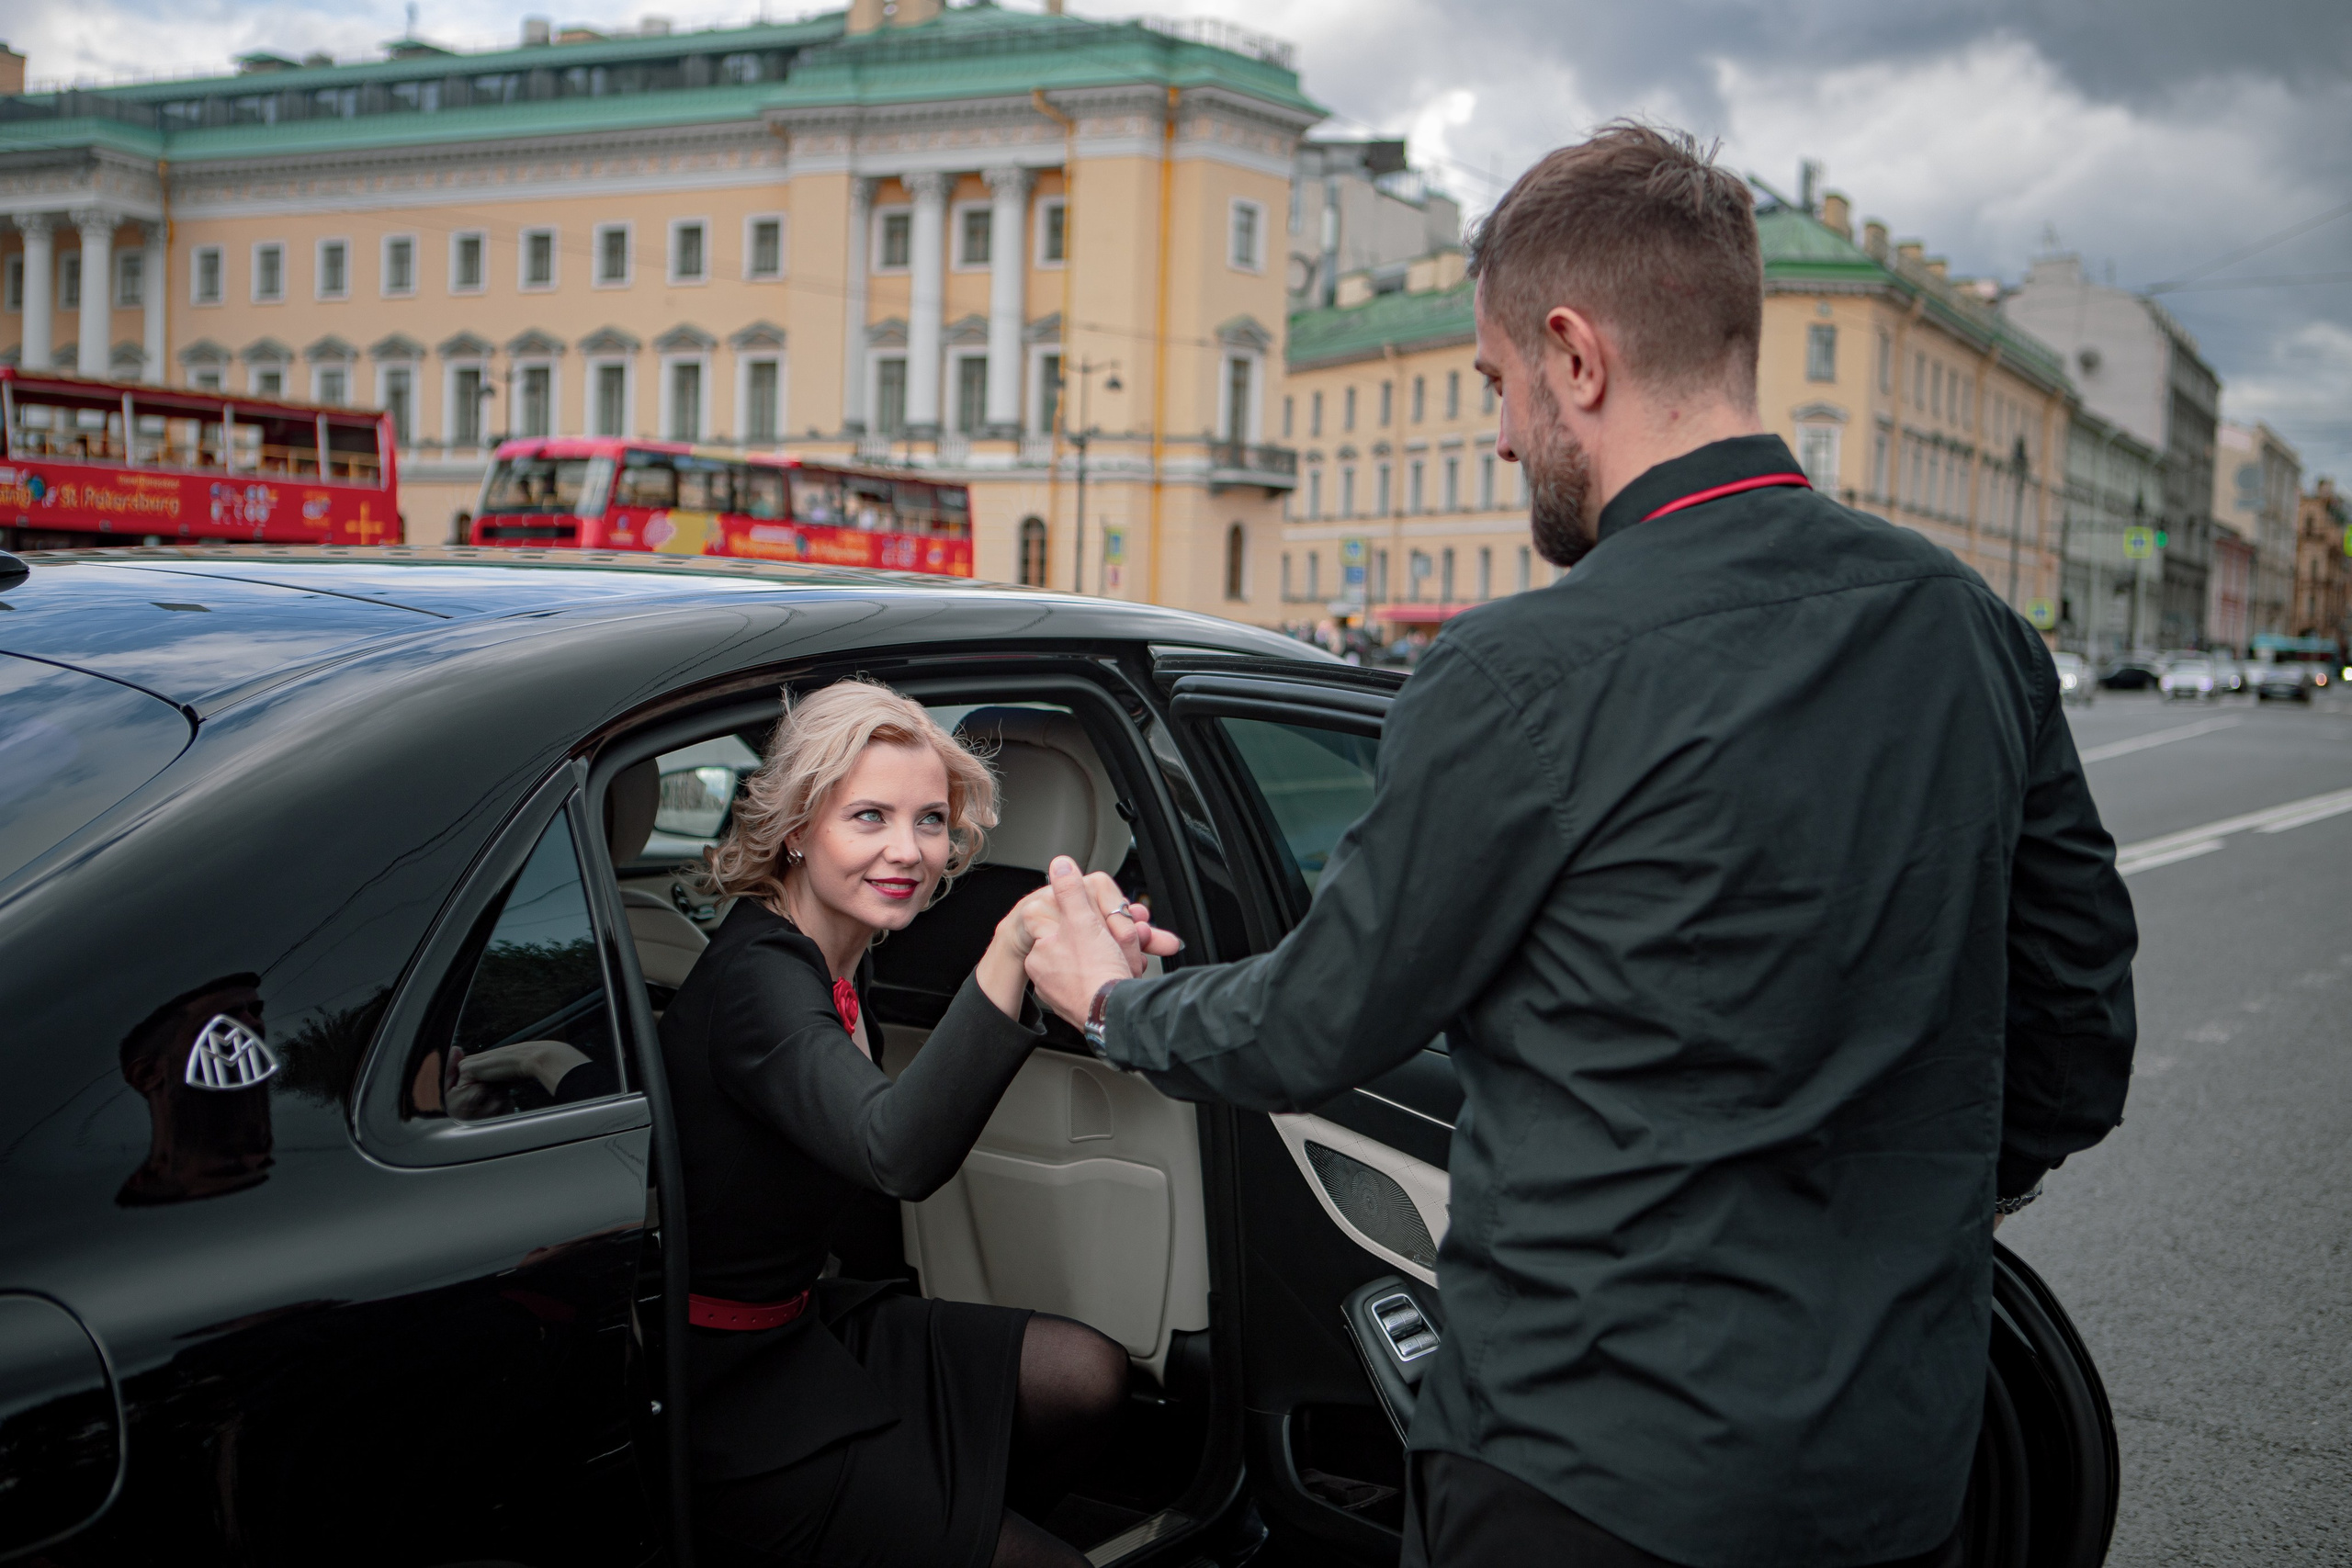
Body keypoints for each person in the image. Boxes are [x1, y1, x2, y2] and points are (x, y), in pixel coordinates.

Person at [1024, 123, 2138, 1568]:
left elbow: (1319, 1020)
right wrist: (1902, 1198)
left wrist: (1107, 997)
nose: (1496, 431)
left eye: (1495, 384)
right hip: (1894, 1464)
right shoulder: (1969, 626)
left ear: (1574, 355)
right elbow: (2077, 1031)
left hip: (1587, 1470)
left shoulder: (1517, 673)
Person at [659, 678, 1179, 1568]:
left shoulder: (843, 940)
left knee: (1088, 1375)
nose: (908, 851)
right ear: (794, 829)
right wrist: (1013, 944)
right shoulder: (758, 982)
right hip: (730, 1389)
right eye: (867, 818)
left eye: (930, 821)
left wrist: (1088, 956)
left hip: (809, 1324)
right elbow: (893, 1150)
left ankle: (940, 1526)